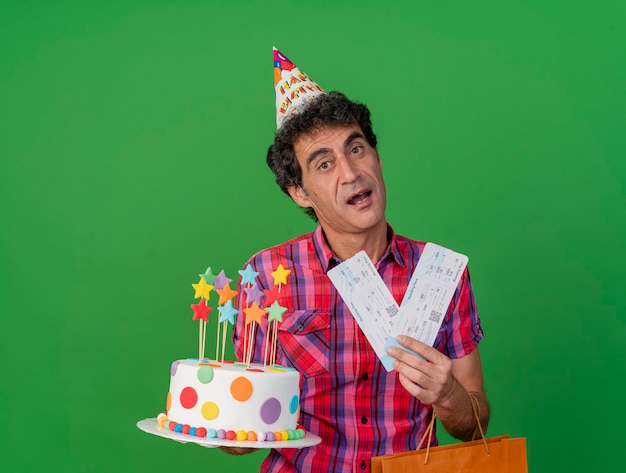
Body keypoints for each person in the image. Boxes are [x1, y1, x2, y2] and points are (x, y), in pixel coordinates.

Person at [223, 51, 489, 472]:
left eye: (357, 149)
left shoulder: (440, 274)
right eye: (324, 163)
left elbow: (474, 426)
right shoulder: (267, 276)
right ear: (300, 193)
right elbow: (244, 436)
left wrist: (448, 394)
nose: (350, 173)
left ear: (378, 159)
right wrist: (217, 421)